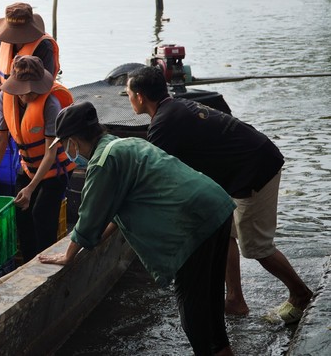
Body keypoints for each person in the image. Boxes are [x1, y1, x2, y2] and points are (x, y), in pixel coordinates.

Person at [39, 101, 236, 356]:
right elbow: (111, 213)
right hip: (215, 207)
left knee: (194, 313)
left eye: (65, 144)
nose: (67, 151)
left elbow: (89, 217)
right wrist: (94, 236)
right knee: (210, 303)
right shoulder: (126, 143)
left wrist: (68, 255)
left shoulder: (102, 162)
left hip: (193, 224)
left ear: (73, 140)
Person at [126, 65, 313, 323]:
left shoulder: (163, 124)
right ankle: (235, 300)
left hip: (256, 169)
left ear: (139, 97)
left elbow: (148, 177)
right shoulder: (176, 107)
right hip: (244, 165)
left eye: (128, 95)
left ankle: (301, 294)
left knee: (257, 247)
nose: (128, 100)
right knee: (221, 230)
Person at [0, 55, 75, 262]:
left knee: (42, 215)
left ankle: (46, 263)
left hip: (54, 169)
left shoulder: (50, 103)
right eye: (25, 89)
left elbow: (51, 151)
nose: (29, 93)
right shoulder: (6, 98)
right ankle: (29, 262)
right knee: (21, 214)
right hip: (27, 166)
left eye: (34, 88)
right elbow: (1, 139)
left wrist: (31, 188)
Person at [0, 2, 60, 98]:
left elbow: (43, 87)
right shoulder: (2, 43)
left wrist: (3, 89)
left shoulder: (44, 47)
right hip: (5, 105)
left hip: (34, 104)